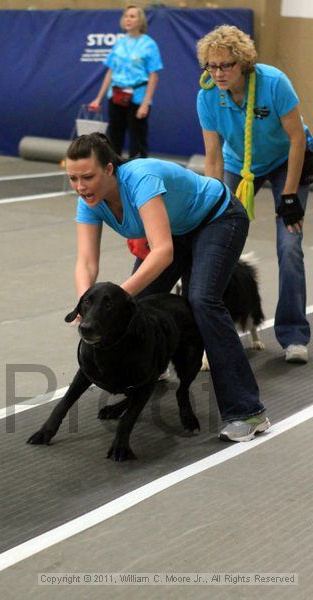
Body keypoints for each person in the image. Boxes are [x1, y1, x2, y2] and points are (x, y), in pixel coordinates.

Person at [65, 132, 270, 442]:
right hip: (178, 229)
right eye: (73, 178)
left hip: (219, 218)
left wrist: (117, 299)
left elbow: (162, 252)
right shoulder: (90, 201)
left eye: (88, 177)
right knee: (138, 304)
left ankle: (247, 411)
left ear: (109, 170)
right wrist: (87, 306)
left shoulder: (140, 180)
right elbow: (86, 263)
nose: (80, 186)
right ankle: (143, 377)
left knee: (201, 301)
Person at [196, 25, 310, 364]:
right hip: (238, 164)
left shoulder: (274, 83)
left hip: (285, 161)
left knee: (289, 246)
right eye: (211, 66)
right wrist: (210, 204)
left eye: (225, 65)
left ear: (243, 63)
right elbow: (213, 157)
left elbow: (297, 139)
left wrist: (290, 196)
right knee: (212, 241)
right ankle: (215, 328)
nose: (218, 73)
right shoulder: (207, 97)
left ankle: (293, 336)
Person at [88, 4, 163, 159]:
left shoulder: (149, 44)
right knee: (114, 138)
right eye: (126, 16)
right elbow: (110, 71)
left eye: (132, 16)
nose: (128, 19)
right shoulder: (119, 43)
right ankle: (114, 174)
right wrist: (98, 98)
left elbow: (154, 76)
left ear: (140, 20)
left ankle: (140, 176)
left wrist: (145, 103)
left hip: (137, 97)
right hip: (116, 95)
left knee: (138, 140)